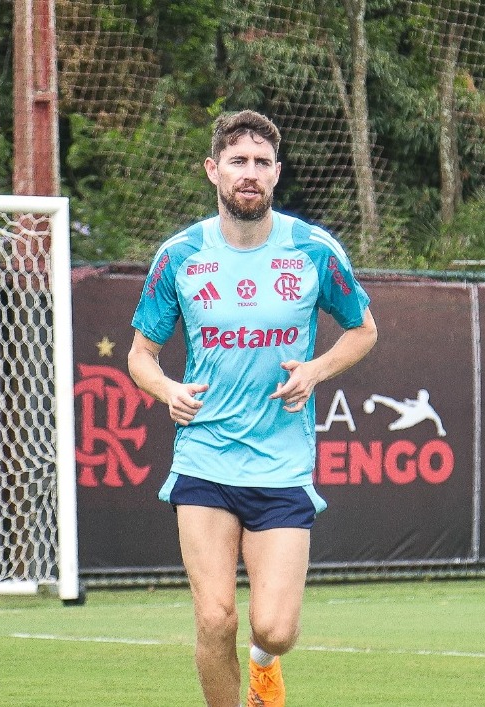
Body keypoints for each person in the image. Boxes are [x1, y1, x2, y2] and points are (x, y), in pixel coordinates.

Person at [128, 109, 376, 707]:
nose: (251, 173)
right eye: (238, 161)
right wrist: (168, 391)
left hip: (281, 464)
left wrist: (316, 370)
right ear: (214, 170)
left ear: (277, 174)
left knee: (275, 629)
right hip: (205, 457)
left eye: (262, 163)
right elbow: (140, 354)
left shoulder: (313, 249)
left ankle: (266, 666)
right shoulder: (181, 254)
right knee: (215, 619)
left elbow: (363, 330)